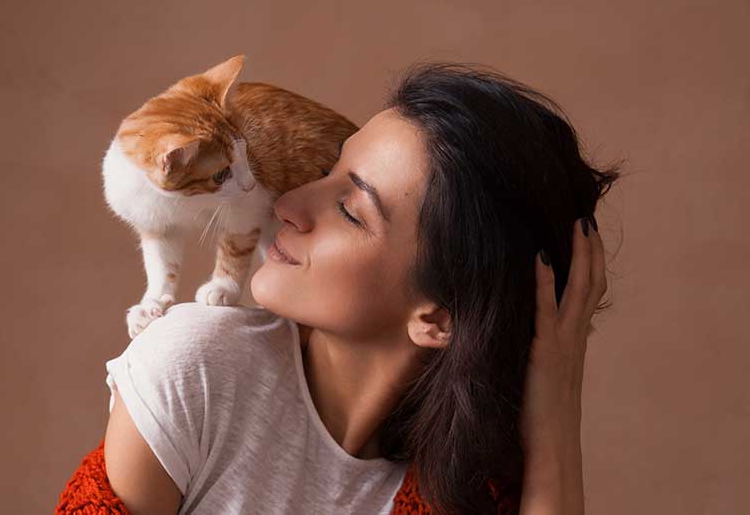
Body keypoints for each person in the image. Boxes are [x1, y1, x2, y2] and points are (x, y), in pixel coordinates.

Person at [100, 62, 621, 515]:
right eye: (329, 170)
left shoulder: (470, 482)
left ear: (438, 319)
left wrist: (555, 410)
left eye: (350, 211)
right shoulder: (197, 367)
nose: (289, 204)